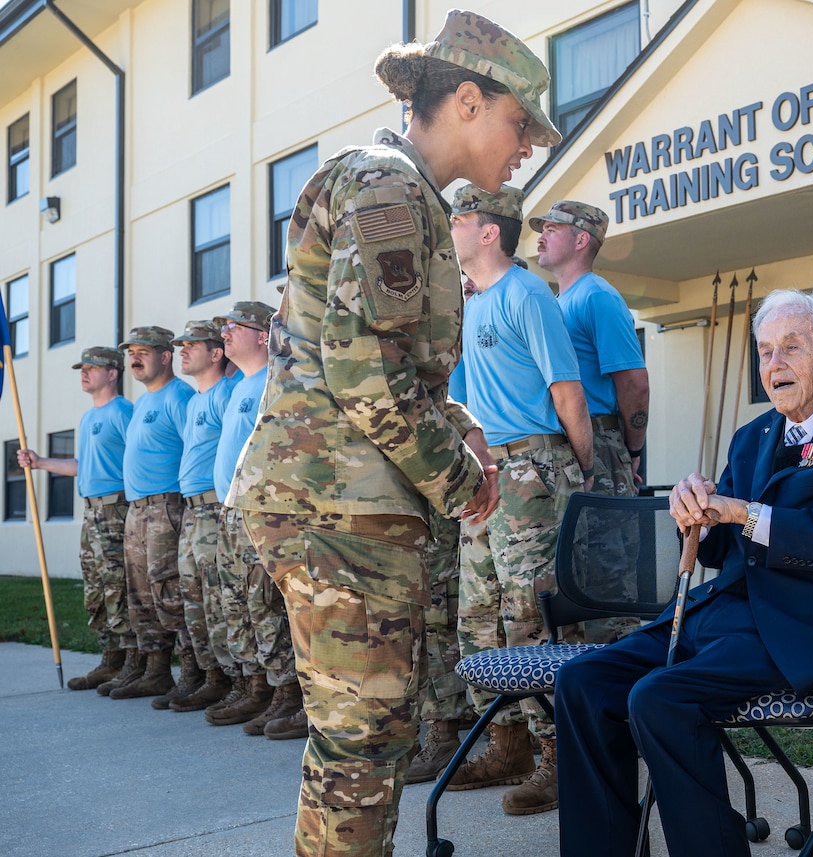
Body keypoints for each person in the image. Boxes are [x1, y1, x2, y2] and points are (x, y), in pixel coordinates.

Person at [227, 11, 557, 856]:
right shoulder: (389, 186)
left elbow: (380, 365)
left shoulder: (400, 190)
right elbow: (363, 370)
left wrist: (459, 422)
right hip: (341, 509)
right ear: (471, 102)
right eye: (521, 124)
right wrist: (463, 479)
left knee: (361, 743)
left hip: (344, 502)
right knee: (363, 748)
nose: (526, 147)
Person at [555, 289, 813, 857]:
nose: (774, 365)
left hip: (807, 628)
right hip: (722, 611)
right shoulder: (754, 435)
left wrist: (744, 513)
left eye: (791, 348)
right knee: (582, 683)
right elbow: (720, 549)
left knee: (661, 699)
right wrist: (693, 511)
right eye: (765, 351)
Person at [443, 182, 593, 815]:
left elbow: (568, 393)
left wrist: (581, 477)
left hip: (536, 466)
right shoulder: (470, 303)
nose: (447, 226)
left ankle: (563, 757)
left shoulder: (527, 294)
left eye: (458, 218)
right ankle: (508, 745)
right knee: (477, 618)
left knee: (534, 619)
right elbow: (460, 403)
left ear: (488, 231)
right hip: (486, 474)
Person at [532, 199, 650, 642]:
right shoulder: (560, 300)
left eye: (552, 228)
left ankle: (618, 694)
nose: (540, 236)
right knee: (577, 570)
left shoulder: (598, 297)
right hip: (565, 447)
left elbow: (634, 385)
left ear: (582, 240)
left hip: (600, 444)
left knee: (608, 575)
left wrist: (632, 453)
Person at [195, 301, 304, 738]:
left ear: (264, 336)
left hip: (261, 510)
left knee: (264, 604)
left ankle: (285, 691)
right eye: (222, 326)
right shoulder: (239, 385)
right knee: (236, 602)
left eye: (235, 326)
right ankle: (255, 683)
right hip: (230, 512)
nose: (224, 332)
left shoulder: (274, 382)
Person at [18, 347, 134, 690]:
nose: (84, 373)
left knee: (118, 586)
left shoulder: (123, 412)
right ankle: (109, 660)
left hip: (116, 508)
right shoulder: (88, 418)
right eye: (81, 368)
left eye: (92, 368)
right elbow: (83, 466)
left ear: (112, 373)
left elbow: (138, 461)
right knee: (96, 588)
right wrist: (40, 462)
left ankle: (131, 662)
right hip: (92, 510)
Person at [407, 276, 485, 783]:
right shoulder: (414, 395)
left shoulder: (439, 404)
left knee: (441, 630)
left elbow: (475, 442)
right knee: (419, 632)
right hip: (409, 534)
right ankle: (428, 728)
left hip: (438, 536)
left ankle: (444, 734)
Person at [108, 326, 196, 702]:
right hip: (137, 509)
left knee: (170, 589)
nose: (135, 358)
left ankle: (193, 672)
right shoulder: (142, 401)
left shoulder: (180, 396)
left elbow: (194, 450)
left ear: (166, 356)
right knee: (140, 593)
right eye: (131, 352)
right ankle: (154, 670)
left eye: (144, 351)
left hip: (166, 506)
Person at [160, 320, 237, 712]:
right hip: (190, 510)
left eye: (192, 345)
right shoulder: (193, 401)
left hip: (213, 508)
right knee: (192, 599)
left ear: (216, 353)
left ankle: (231, 678)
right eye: (180, 345)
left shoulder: (228, 392)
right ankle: (206, 674)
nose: (182, 351)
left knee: (216, 598)